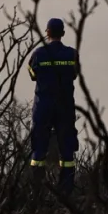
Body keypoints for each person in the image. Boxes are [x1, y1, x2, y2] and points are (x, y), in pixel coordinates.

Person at [27, 18, 80, 202]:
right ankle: (66, 191)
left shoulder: (38, 53)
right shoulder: (72, 54)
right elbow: (75, 73)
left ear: (47, 32)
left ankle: (36, 191)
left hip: (43, 106)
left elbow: (32, 74)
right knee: (67, 151)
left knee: (39, 149)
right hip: (65, 106)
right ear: (63, 33)